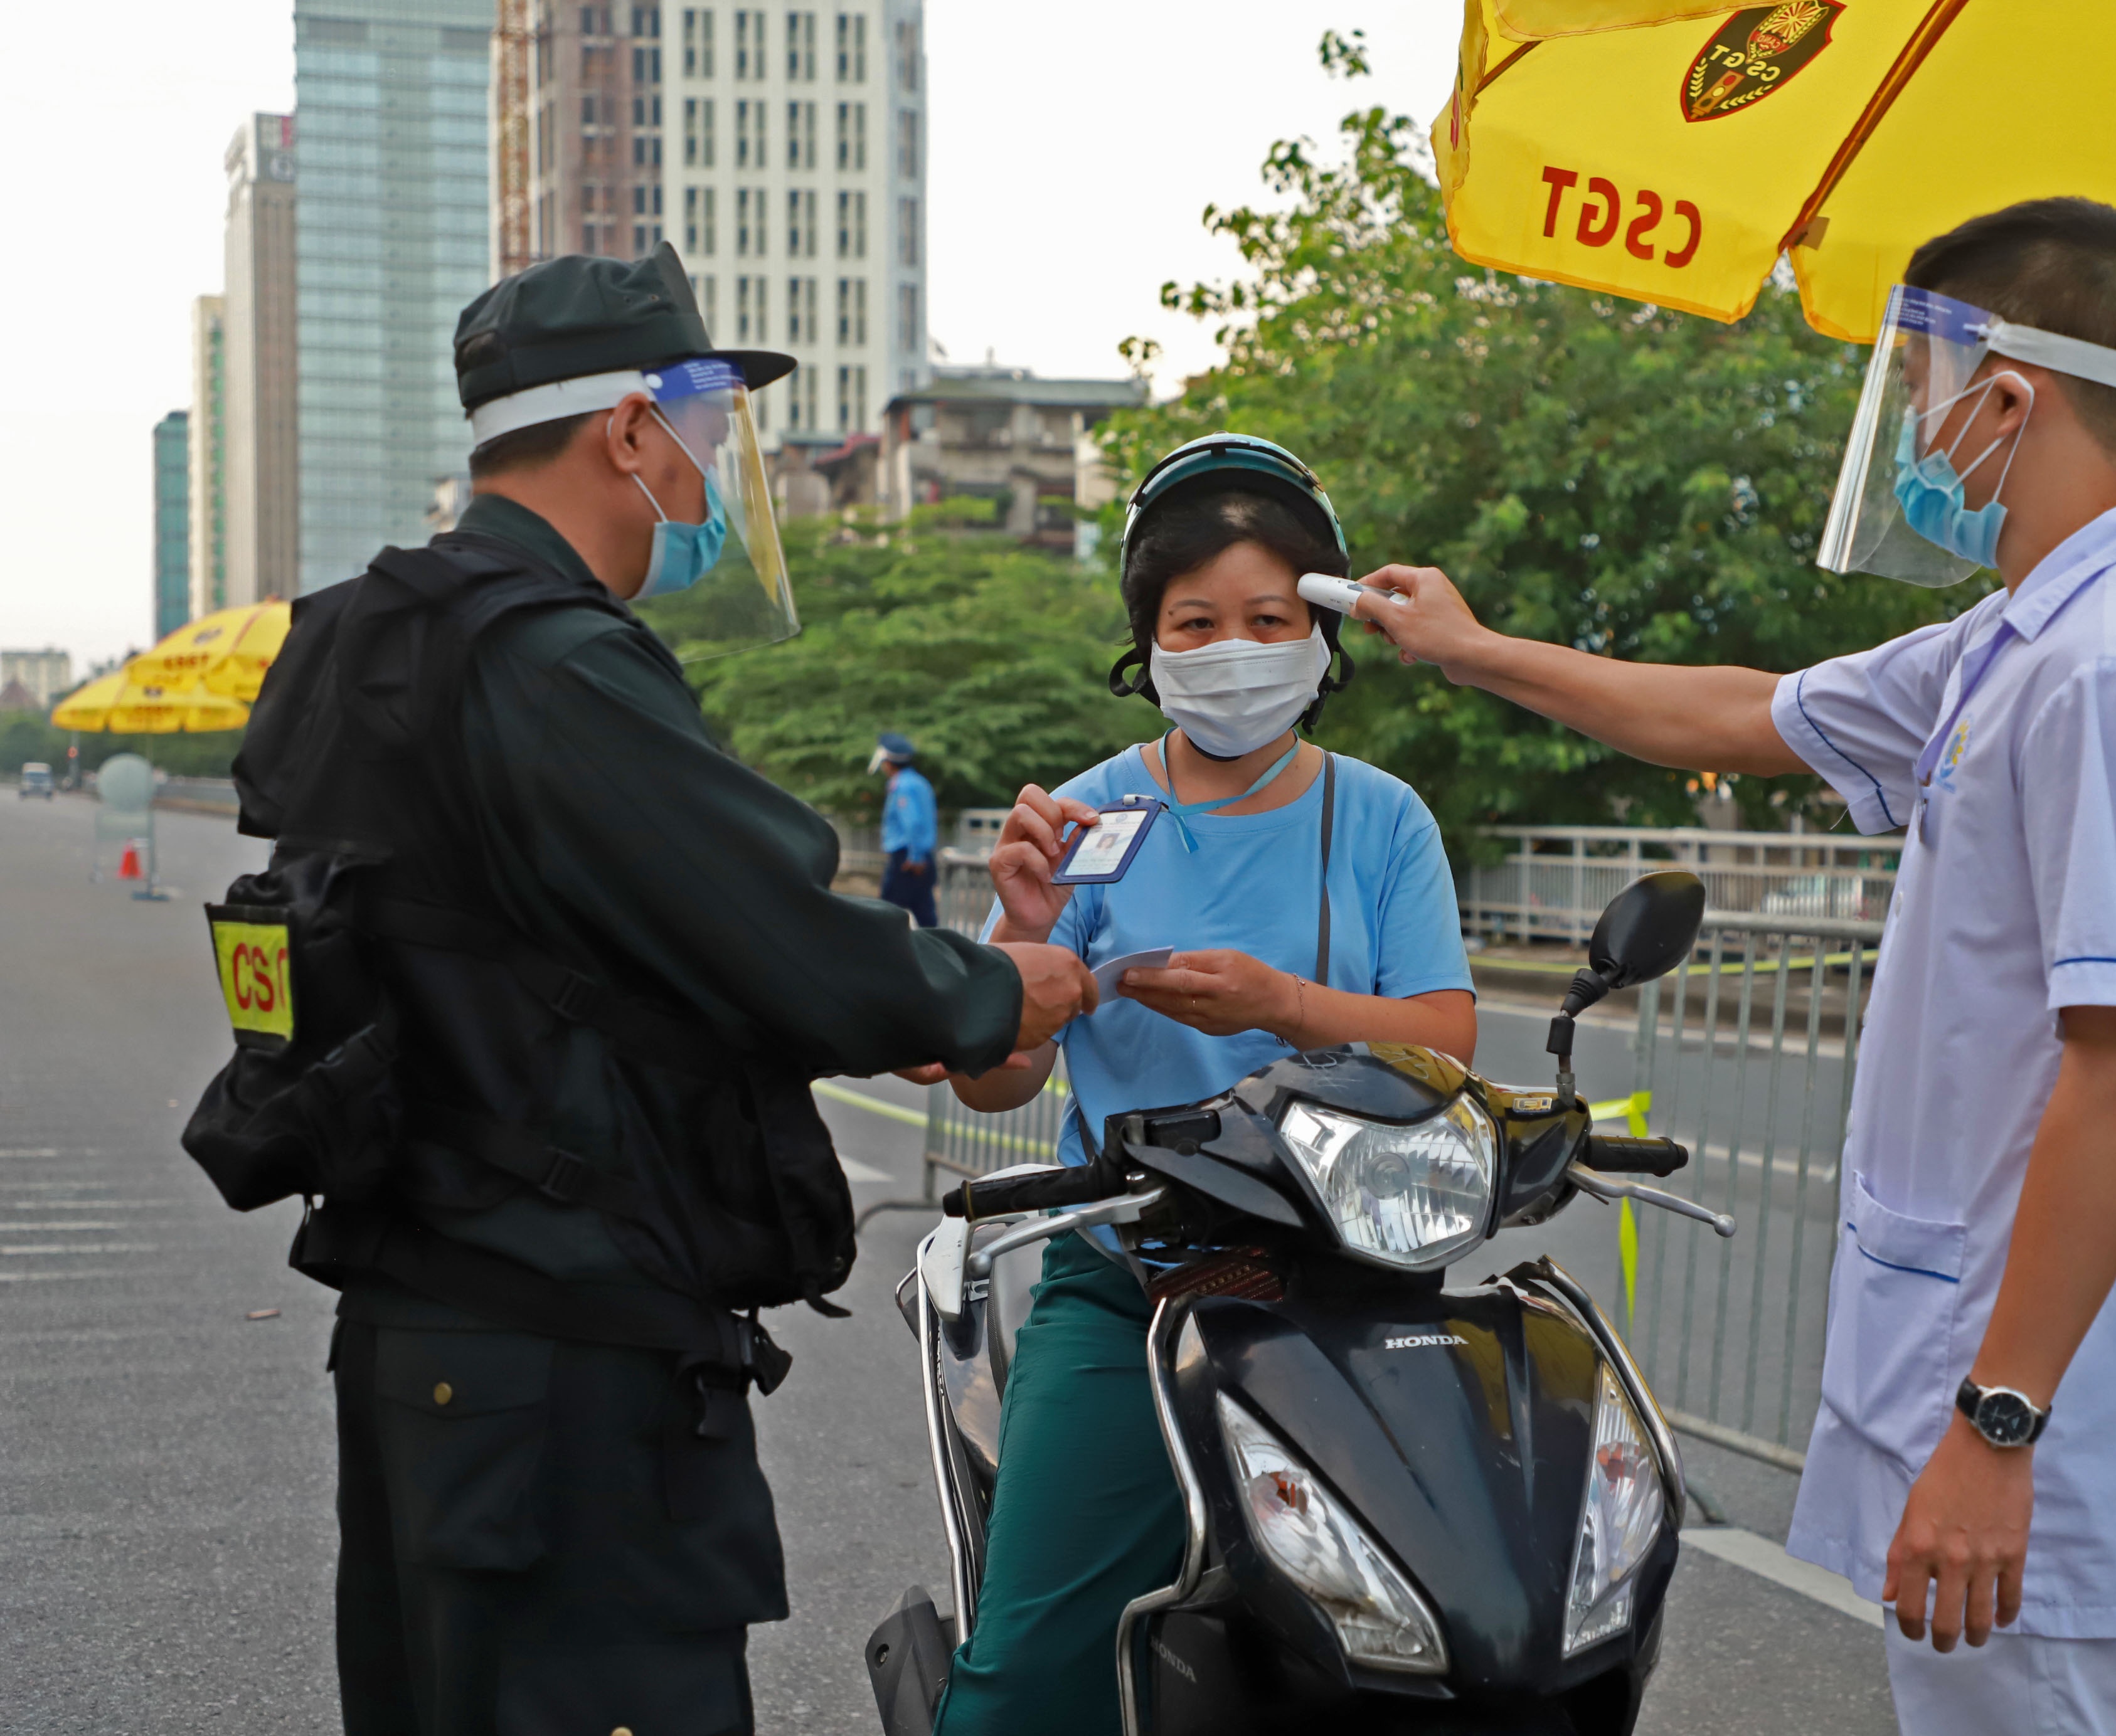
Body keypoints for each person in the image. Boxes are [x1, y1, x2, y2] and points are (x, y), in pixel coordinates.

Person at [1340, 200, 2116, 1735]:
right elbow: (1738, 714)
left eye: (1918, 390)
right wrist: (1470, 647)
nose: (1911, 433)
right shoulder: (2013, 642)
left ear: (2004, 396)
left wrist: (1999, 1424)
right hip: (1968, 1338)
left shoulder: (2112, 671)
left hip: (2031, 1391)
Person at [211, 245, 1096, 1735]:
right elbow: (764, 922)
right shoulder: (549, 657)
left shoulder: (376, 630)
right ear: (627, 429)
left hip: (433, 1330)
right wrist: (991, 989)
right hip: (564, 1367)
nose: (704, 473)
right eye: (698, 427)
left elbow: (564, 937)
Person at [929, 434, 1479, 1736]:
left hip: (1350, 1285)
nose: (1235, 648)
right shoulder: (1083, 819)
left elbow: (1444, 1042)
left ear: (1321, 634)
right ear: (1150, 641)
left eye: (1269, 618)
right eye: (1197, 622)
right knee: (1024, 1677)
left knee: (1468, 1629)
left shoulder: (1385, 817)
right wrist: (1023, 936)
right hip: (1129, 1287)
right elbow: (999, 1078)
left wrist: (1280, 1002)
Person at [873, 731, 942, 927]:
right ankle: (936, 946)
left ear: (889, 763)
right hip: (919, 856)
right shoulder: (919, 782)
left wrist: (916, 857)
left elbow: (912, 823)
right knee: (925, 913)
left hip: (908, 860)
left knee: (885, 915)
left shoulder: (902, 786)